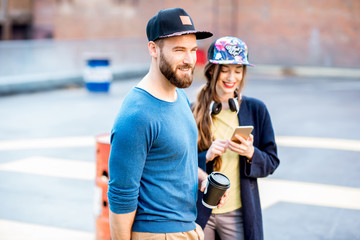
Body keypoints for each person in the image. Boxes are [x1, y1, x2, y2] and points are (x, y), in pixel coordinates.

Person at [107, 8, 227, 240]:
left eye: (193, 50)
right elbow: (121, 195)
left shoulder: (178, 95)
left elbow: (176, 161)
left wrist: (202, 179)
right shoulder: (137, 113)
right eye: (179, 50)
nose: (189, 60)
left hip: (188, 228)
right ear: (153, 49)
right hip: (158, 234)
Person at [192, 36, 280, 240]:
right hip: (199, 211)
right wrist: (206, 156)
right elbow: (179, 162)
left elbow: (272, 162)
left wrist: (251, 154)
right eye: (226, 69)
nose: (232, 77)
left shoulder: (257, 109)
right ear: (212, 70)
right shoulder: (192, 111)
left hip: (238, 214)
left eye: (238, 70)